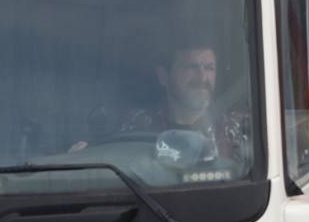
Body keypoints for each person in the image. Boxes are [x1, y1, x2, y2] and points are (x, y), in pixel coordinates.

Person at [71, 38, 248, 162]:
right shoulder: (132, 125)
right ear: (163, 76)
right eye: (191, 67)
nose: (202, 77)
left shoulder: (238, 129)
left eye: (209, 68)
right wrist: (84, 154)